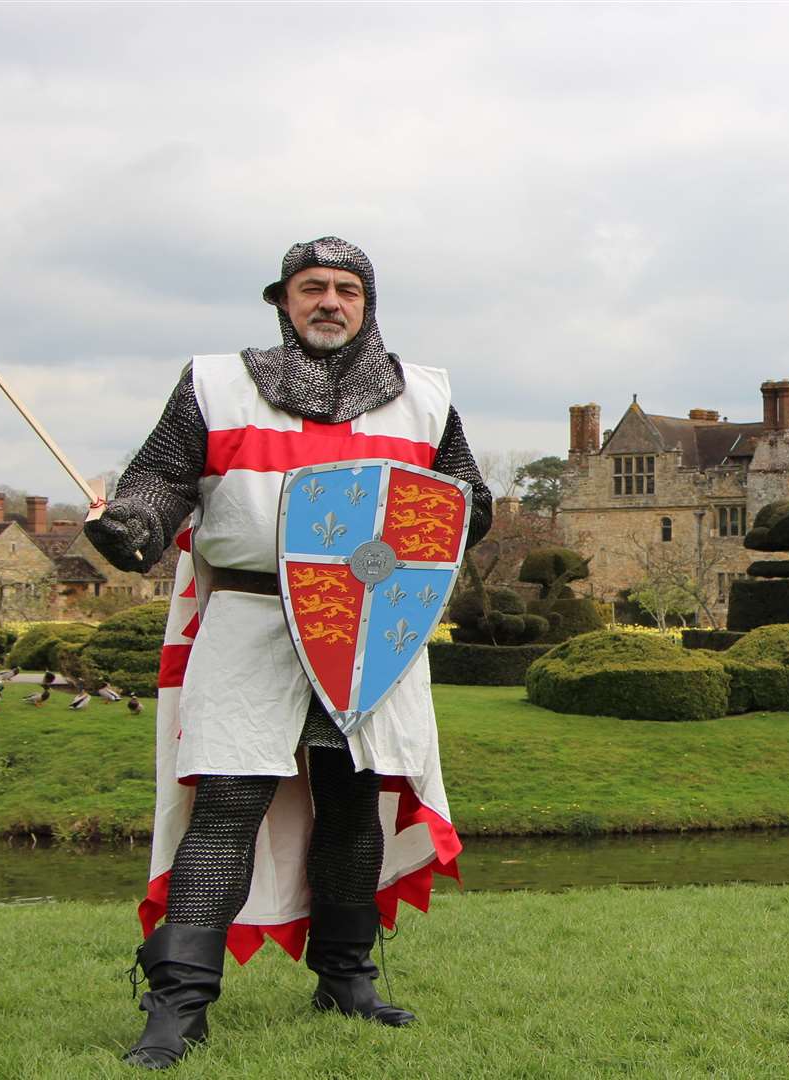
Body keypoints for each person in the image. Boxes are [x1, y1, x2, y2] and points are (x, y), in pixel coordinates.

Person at [86, 238, 490, 1070]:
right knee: (227, 805)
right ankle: (178, 1007)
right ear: (283, 299)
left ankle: (346, 977)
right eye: (313, 289)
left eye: (346, 289)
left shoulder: (424, 395)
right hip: (252, 619)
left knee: (353, 802)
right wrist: (132, 522)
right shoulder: (216, 384)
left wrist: (404, 546)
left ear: (368, 305)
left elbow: (463, 505)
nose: (330, 302)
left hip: (371, 627)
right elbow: (163, 479)